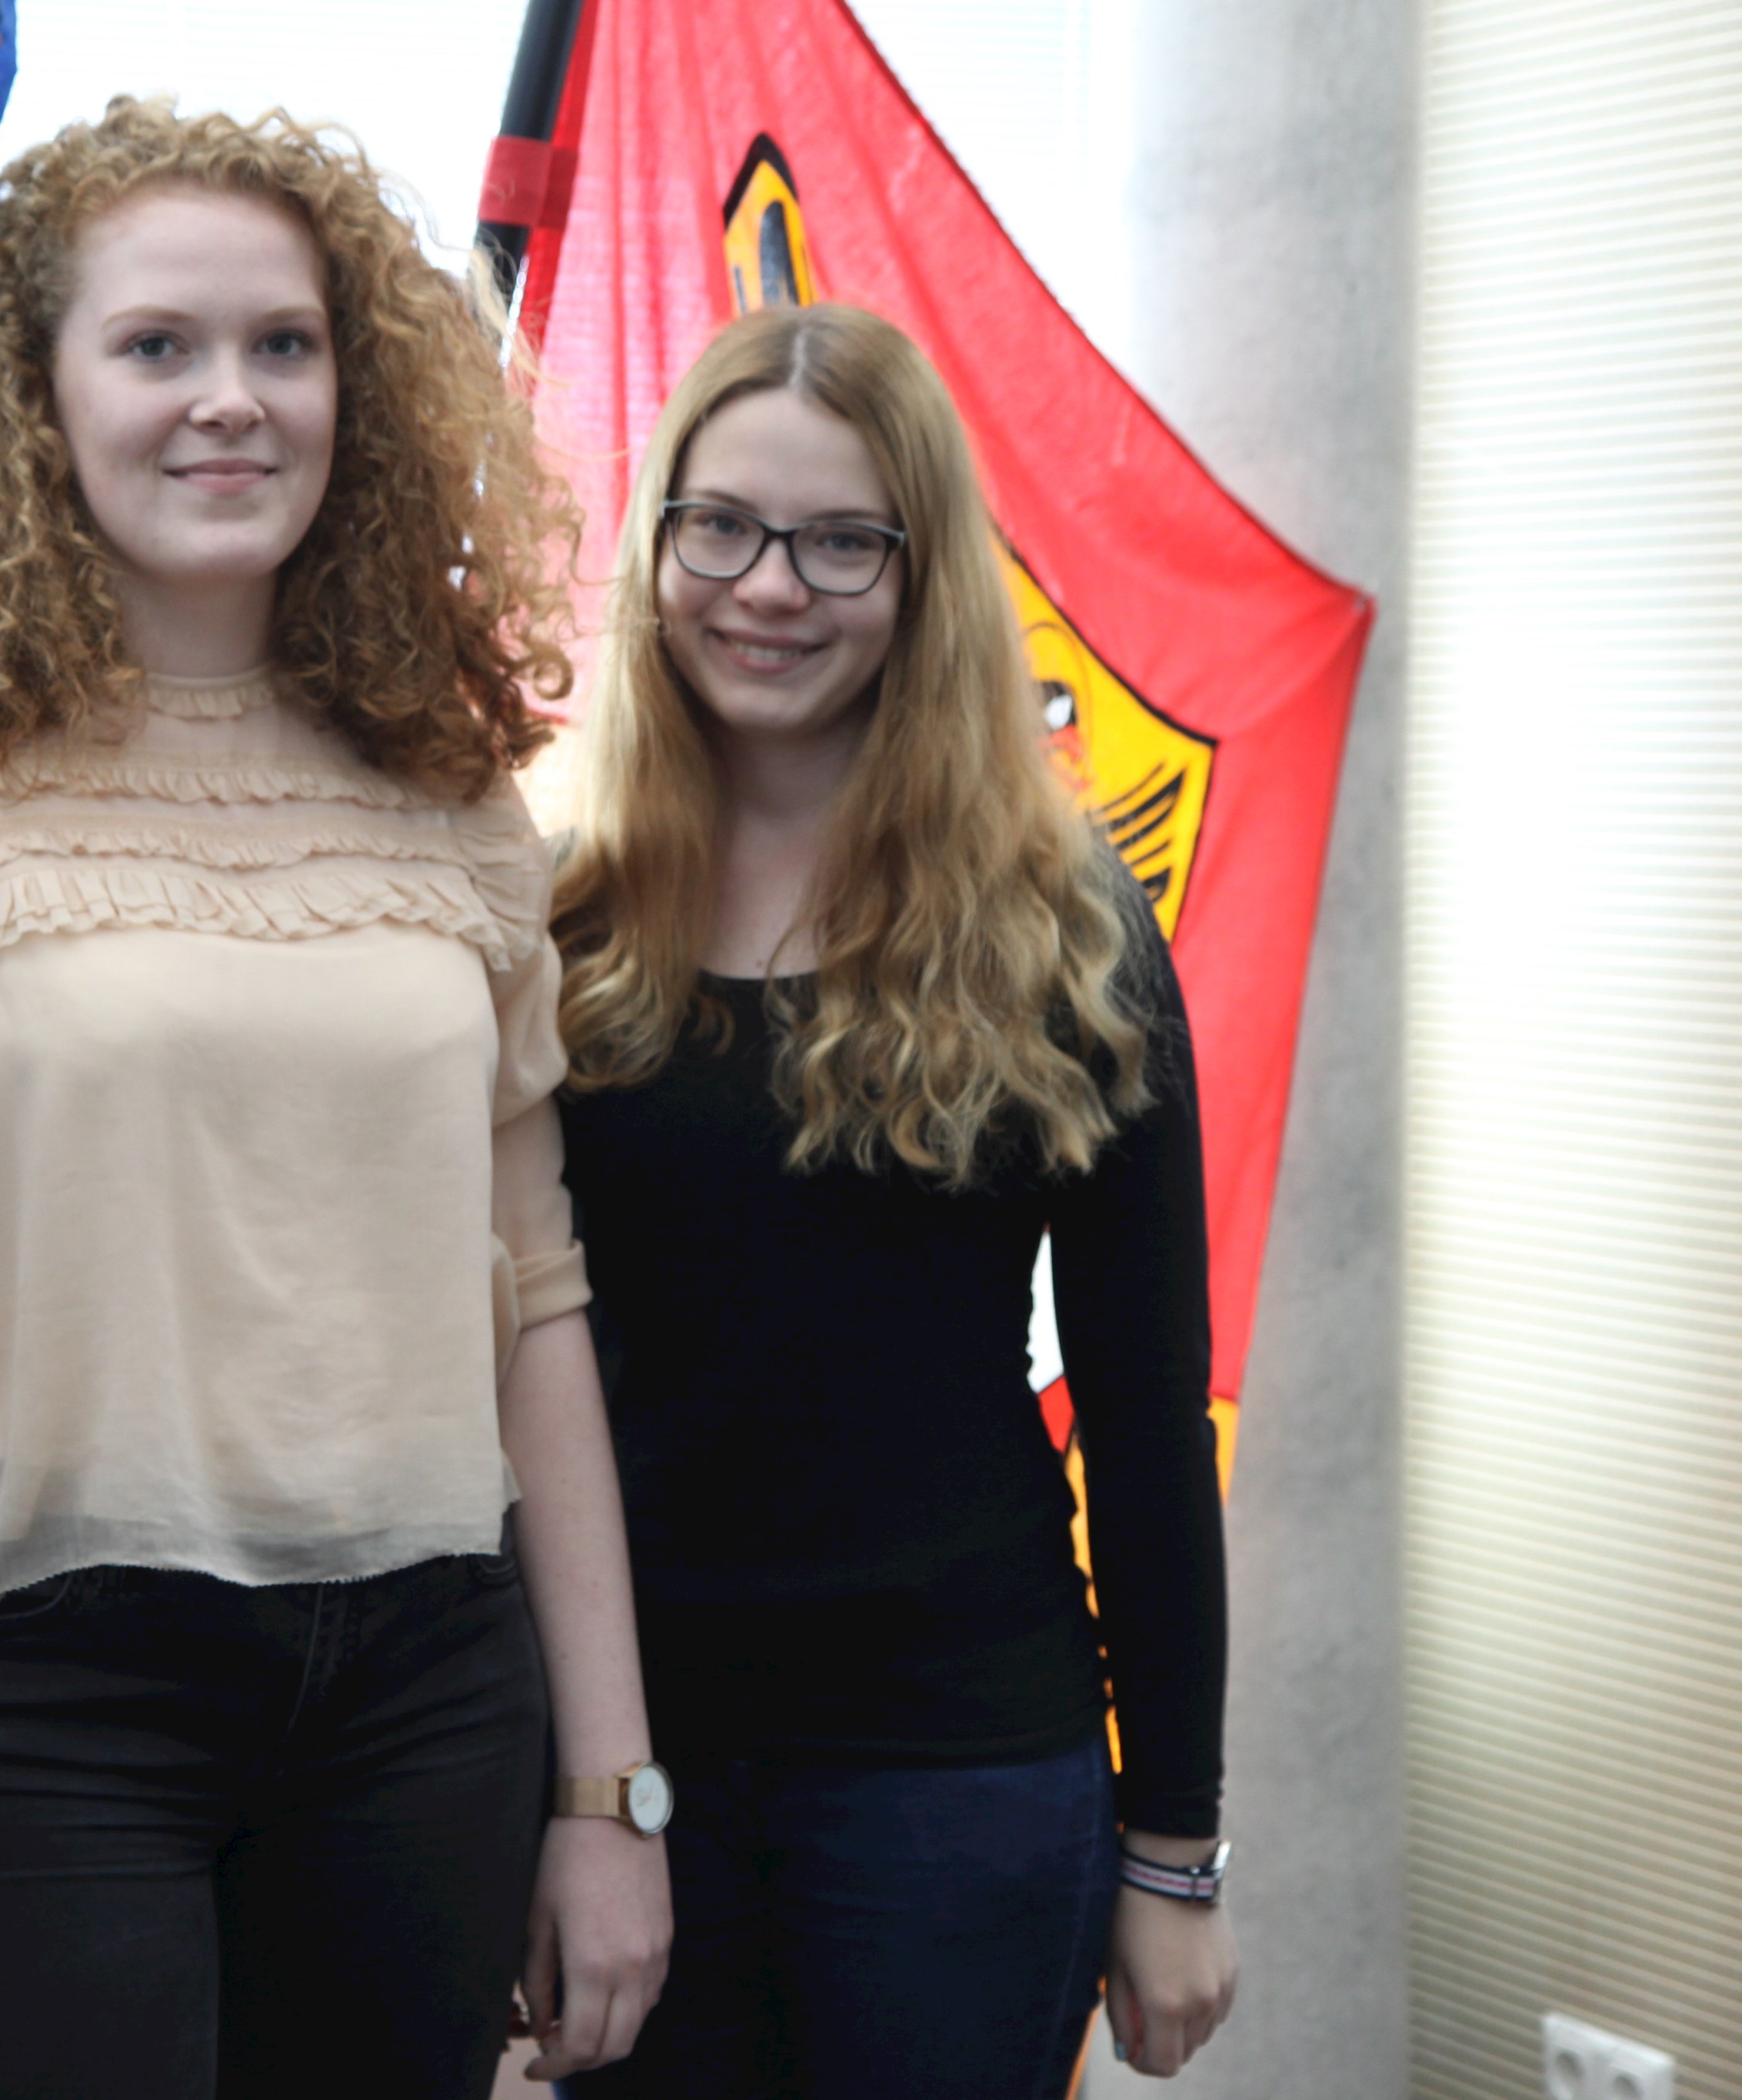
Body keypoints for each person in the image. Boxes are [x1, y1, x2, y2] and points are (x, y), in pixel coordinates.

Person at [0, 100, 671, 2100]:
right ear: (37, 398)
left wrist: (609, 1786)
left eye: (283, 347)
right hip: (21, 1702)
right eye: (157, 346)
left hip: (424, 1695)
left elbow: (536, 1302)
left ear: (359, 389)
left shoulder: (451, 784)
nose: (229, 400)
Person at [548, 301, 1237, 2098]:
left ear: (920, 572)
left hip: (959, 1773)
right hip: (622, 1774)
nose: (768, 584)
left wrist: (1172, 1847)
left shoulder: (1058, 921)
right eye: (721, 526)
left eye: (839, 539)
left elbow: (1149, 1416)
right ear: (657, 542)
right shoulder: (549, 911)